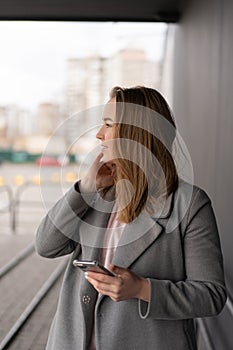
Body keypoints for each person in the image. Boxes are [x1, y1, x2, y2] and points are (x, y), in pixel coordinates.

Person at [36, 86, 227, 350]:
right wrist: (84, 189)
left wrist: (143, 289)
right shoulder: (96, 194)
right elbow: (46, 245)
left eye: (108, 124)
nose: (99, 134)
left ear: (136, 133)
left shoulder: (189, 203)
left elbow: (211, 294)